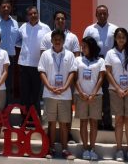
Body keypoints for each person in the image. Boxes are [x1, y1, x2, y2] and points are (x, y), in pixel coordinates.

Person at [38, 29, 77, 161]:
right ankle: (51, 148)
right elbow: (42, 72)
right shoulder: (45, 55)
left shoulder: (70, 55)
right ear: (51, 41)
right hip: (49, 94)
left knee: (64, 123)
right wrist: (49, 87)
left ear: (64, 41)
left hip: (65, 94)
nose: (57, 41)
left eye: (60, 39)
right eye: (55, 39)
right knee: (51, 123)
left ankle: (65, 149)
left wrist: (65, 87)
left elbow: (72, 72)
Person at [105, 28, 128, 162]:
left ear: (127, 39)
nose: (121, 39)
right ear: (115, 38)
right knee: (119, 120)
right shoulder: (110, 53)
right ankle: (119, 150)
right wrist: (117, 88)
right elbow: (108, 72)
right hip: (115, 91)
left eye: (123, 37)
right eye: (119, 37)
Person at [83, 4, 118, 130]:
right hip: (95, 63)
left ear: (108, 14)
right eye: (100, 13)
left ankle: (107, 122)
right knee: (96, 93)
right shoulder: (89, 29)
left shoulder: (114, 29)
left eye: (104, 13)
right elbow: (84, 47)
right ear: (96, 15)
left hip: (109, 63)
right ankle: (96, 122)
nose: (102, 15)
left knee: (107, 94)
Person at [73, 36, 106, 161]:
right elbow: (75, 78)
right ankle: (85, 148)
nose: (83, 48)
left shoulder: (100, 61)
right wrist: (81, 92)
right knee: (83, 122)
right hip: (81, 95)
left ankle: (92, 148)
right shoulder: (77, 60)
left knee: (93, 123)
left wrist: (93, 93)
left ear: (91, 47)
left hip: (96, 96)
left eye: (85, 46)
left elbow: (101, 78)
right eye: (82, 46)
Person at [17, 6, 50, 118]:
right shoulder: (23, 27)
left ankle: (35, 120)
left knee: (35, 95)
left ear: (38, 14)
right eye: (30, 14)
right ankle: (24, 119)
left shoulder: (45, 28)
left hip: (38, 66)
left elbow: (49, 45)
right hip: (24, 65)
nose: (33, 15)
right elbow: (18, 42)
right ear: (27, 16)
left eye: (35, 13)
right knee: (24, 94)